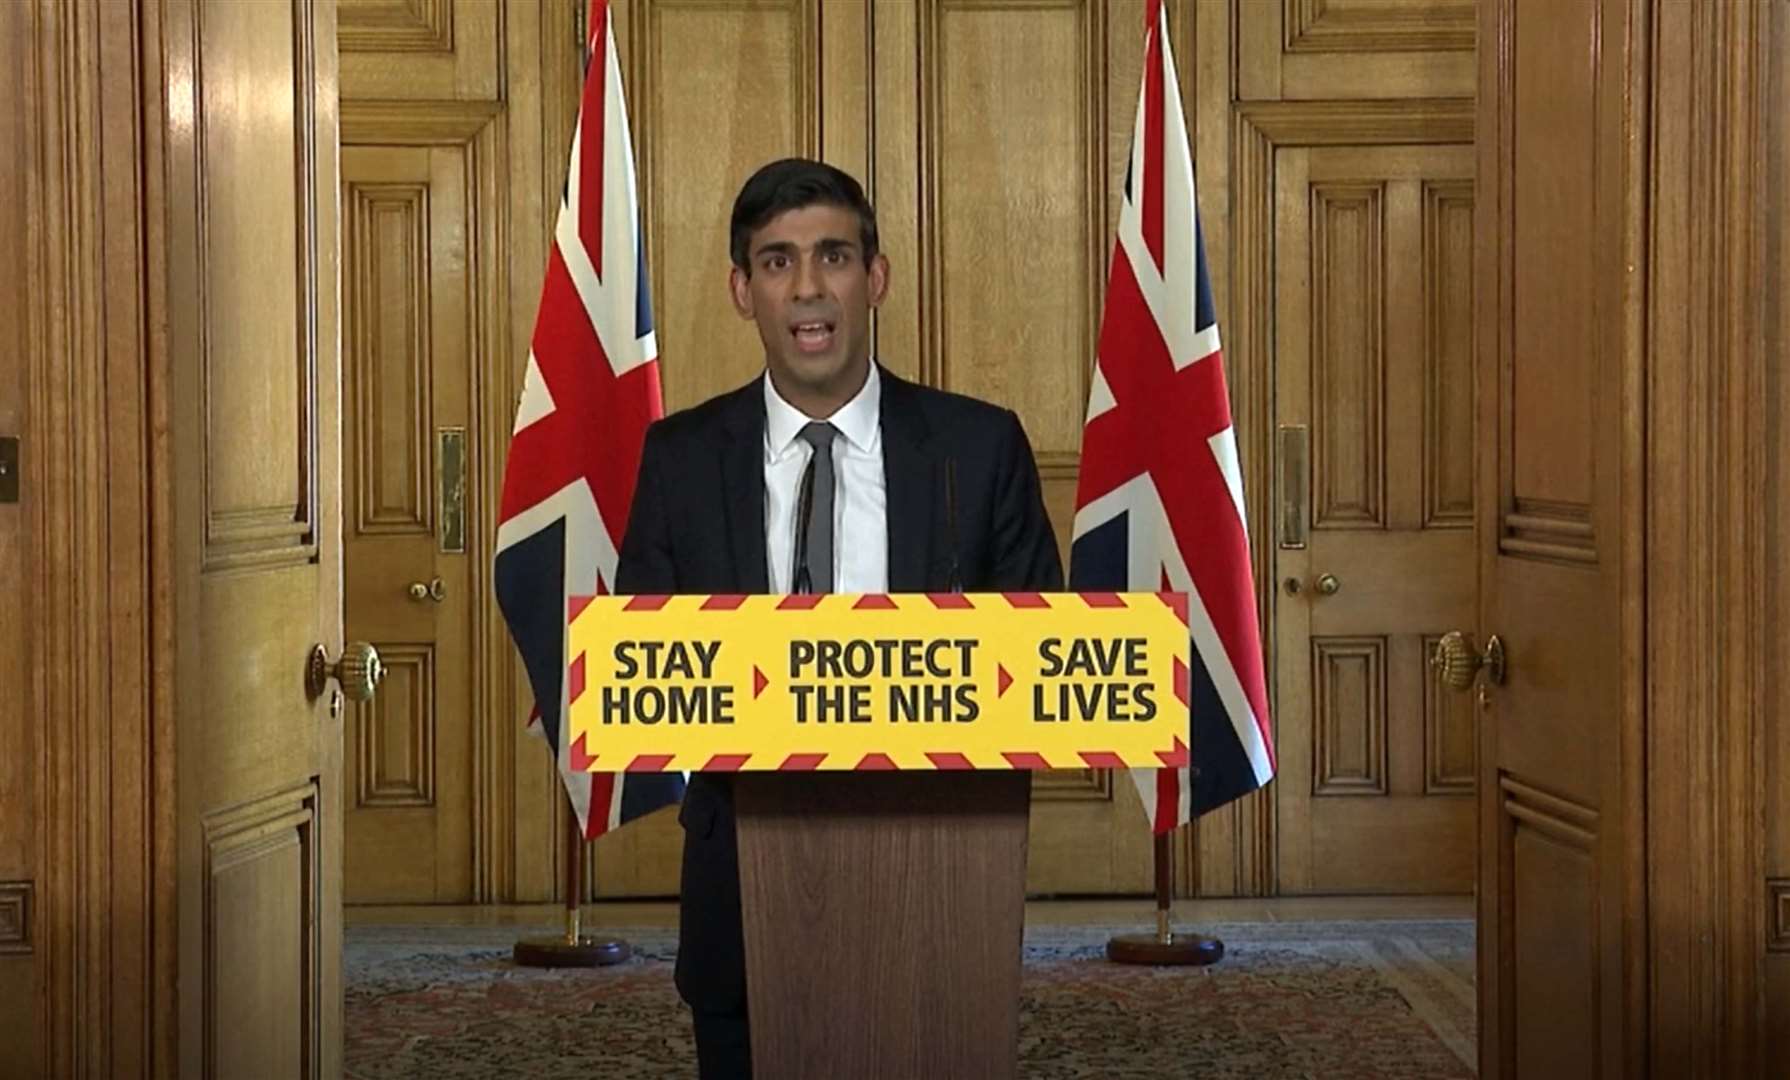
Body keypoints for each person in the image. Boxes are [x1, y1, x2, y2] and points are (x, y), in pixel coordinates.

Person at [615, 157, 1063, 1078]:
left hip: (943, 881)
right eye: (777, 262)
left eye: (833, 256)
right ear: (743, 291)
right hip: (740, 881)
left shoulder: (978, 448)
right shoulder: (680, 459)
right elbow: (641, 671)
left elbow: (1046, 659)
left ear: (876, 277)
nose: (809, 288)